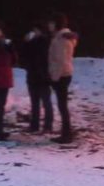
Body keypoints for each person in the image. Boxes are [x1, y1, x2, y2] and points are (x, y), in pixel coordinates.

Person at [48, 13, 78, 143]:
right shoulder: (65, 37)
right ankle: (66, 132)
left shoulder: (60, 39)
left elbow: (60, 60)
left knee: (62, 106)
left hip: (61, 75)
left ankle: (66, 134)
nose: (49, 26)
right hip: (65, 73)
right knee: (63, 105)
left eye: (51, 23)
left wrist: (54, 77)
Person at [20, 21, 53, 133]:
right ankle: (35, 125)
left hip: (43, 77)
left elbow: (45, 58)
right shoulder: (31, 43)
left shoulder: (46, 42)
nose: (34, 32)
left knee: (46, 102)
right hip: (32, 76)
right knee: (35, 102)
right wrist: (26, 43)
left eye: (36, 30)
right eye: (33, 31)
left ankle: (48, 125)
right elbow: (24, 56)